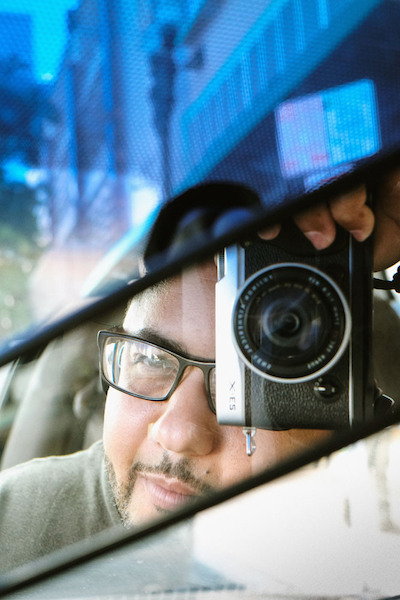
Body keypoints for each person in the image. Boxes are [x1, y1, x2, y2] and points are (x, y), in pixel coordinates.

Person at [1, 172, 400, 572]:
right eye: (150, 359)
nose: (178, 435)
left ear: (351, 409)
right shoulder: (14, 521)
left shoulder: (376, 541)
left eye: (244, 380)